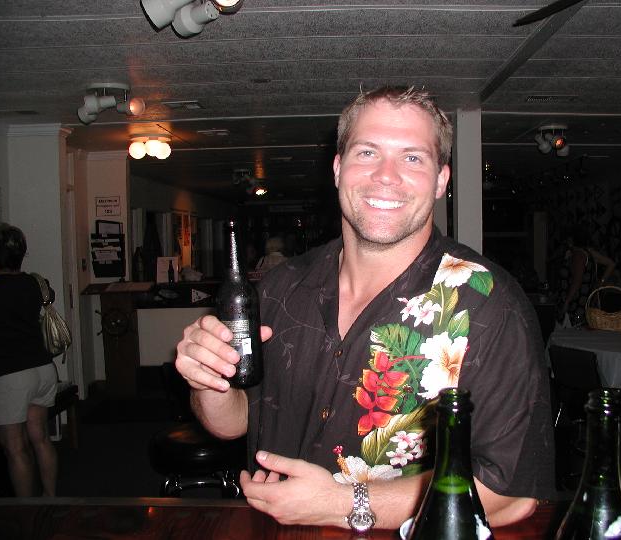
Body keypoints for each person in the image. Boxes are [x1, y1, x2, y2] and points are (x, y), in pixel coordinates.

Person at [175, 86, 554, 531]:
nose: (386, 175)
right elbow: (235, 421)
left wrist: (343, 502)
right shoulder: (279, 288)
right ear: (338, 169)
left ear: (441, 181)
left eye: (412, 158)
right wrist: (208, 381)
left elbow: (511, 494)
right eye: (368, 152)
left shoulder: (489, 305)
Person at [0, 224, 58, 497]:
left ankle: (25, 511)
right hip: (42, 368)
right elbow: (49, 297)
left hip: (8, 373)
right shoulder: (35, 283)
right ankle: (51, 500)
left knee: (15, 448)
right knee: (41, 439)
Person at [556, 224, 616, 327]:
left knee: (571, 331)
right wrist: (600, 283)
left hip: (574, 305)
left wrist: (567, 302)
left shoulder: (578, 254)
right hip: (585, 303)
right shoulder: (588, 252)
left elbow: (577, 280)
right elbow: (611, 264)